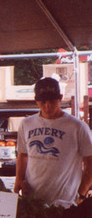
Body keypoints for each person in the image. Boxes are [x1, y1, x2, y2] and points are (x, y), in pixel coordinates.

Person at [14, 77, 92, 208]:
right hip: (33, 198)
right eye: (43, 102)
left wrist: (81, 194)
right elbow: (23, 155)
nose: (48, 106)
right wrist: (18, 181)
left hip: (66, 201)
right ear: (36, 100)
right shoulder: (26, 124)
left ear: (60, 98)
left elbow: (90, 162)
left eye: (52, 101)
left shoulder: (77, 127)